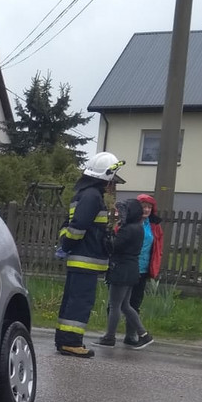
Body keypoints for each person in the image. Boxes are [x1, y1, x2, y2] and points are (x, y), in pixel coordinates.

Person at [54, 151, 125, 358]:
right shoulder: (93, 196)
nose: (113, 182)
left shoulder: (85, 194)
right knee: (80, 301)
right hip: (86, 261)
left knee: (72, 300)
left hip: (80, 259)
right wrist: (67, 244)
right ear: (106, 175)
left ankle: (64, 339)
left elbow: (70, 224)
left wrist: (65, 245)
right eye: (113, 176)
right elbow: (78, 226)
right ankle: (71, 342)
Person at [95, 198, 154, 349]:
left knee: (115, 305)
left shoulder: (128, 229)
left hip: (121, 269)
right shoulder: (138, 227)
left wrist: (106, 237)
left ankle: (109, 337)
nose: (118, 214)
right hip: (132, 268)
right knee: (125, 305)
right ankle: (144, 334)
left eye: (121, 211)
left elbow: (114, 246)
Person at [126, 192, 165, 342]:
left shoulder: (154, 226)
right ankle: (110, 334)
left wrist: (154, 266)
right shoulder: (128, 222)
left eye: (149, 207)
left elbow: (158, 248)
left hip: (142, 269)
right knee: (118, 303)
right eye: (143, 206)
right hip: (127, 267)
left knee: (135, 302)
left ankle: (130, 335)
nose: (146, 210)